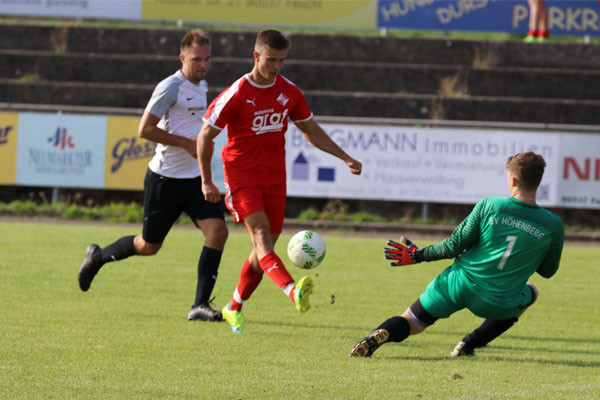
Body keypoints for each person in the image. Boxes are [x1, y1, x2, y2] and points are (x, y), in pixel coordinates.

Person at [197, 28, 362, 333]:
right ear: (256, 56)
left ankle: (233, 307)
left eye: (281, 61)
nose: (276, 66)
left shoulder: (289, 92)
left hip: (274, 179)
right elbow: (206, 135)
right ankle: (292, 291)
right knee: (261, 237)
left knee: (265, 249)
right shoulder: (237, 93)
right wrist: (207, 181)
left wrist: (345, 157)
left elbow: (311, 131)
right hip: (241, 176)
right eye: (271, 60)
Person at [349, 152, 564, 358]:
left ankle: (375, 337)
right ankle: (469, 344)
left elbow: (453, 246)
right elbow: (548, 271)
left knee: (412, 321)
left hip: (458, 284)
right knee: (532, 292)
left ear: (514, 180)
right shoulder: (553, 225)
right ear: (538, 182)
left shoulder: (490, 205)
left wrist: (417, 255)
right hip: (500, 300)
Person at [78, 29, 228, 322]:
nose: (202, 65)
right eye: (197, 59)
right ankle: (96, 257)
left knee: (218, 232)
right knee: (148, 246)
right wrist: (187, 144)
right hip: (165, 180)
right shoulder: (170, 87)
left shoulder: (202, 84)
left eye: (207, 59)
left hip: (195, 179)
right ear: (182, 57)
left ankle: (199, 305)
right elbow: (144, 130)